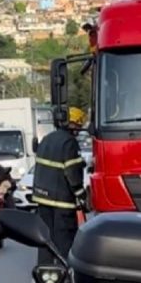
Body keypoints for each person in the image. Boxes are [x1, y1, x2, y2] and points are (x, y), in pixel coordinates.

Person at [32, 106, 88, 265]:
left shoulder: (47, 139)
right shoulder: (69, 142)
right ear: (72, 124)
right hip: (61, 201)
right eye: (78, 125)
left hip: (42, 199)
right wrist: (81, 195)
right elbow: (72, 173)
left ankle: (46, 273)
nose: (78, 129)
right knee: (64, 239)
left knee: (45, 238)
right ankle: (64, 273)